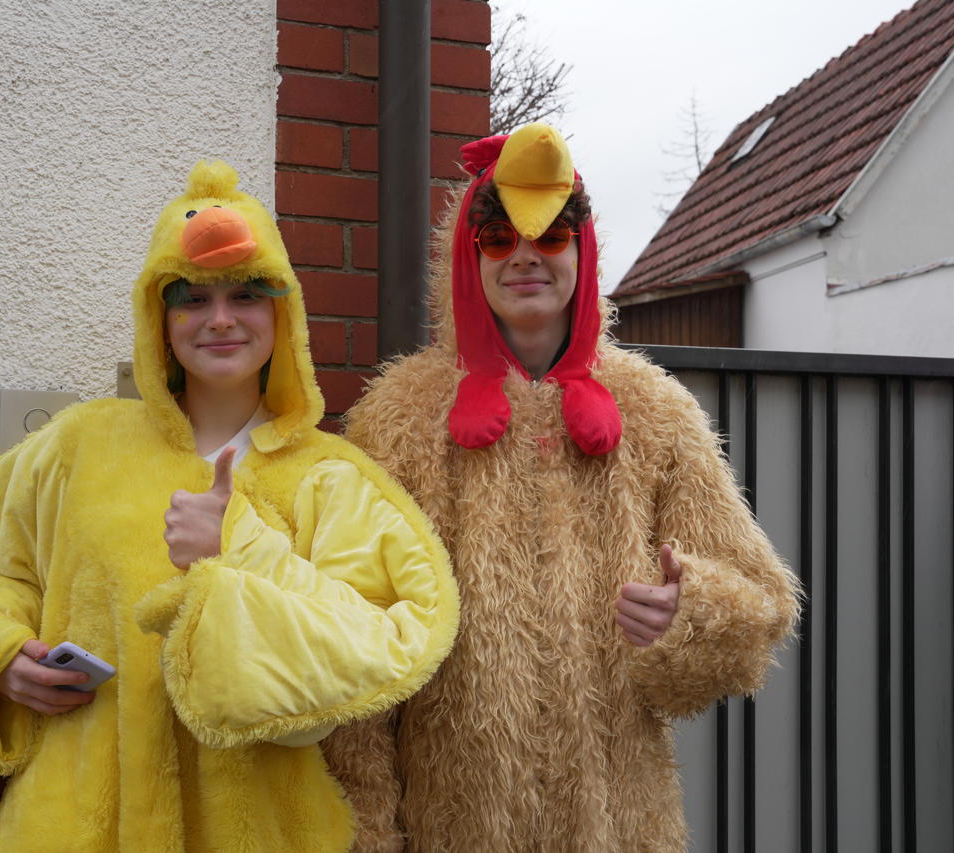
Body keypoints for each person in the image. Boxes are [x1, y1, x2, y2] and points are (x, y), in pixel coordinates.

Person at [0, 161, 459, 852]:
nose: (219, 318)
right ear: (158, 320)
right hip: (74, 820)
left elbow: (381, 645)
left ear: (281, 313)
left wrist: (238, 548)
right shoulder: (79, 446)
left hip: (253, 828)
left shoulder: (330, 477)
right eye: (190, 298)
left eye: (247, 294)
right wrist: (0, 654)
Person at [321, 123, 801, 852]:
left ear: (583, 250)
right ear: (466, 255)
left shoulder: (656, 410)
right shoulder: (396, 419)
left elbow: (762, 601)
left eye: (550, 238)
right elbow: (354, 647)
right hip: (452, 830)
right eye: (498, 238)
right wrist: (369, 832)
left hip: (618, 827)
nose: (524, 258)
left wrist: (688, 611)